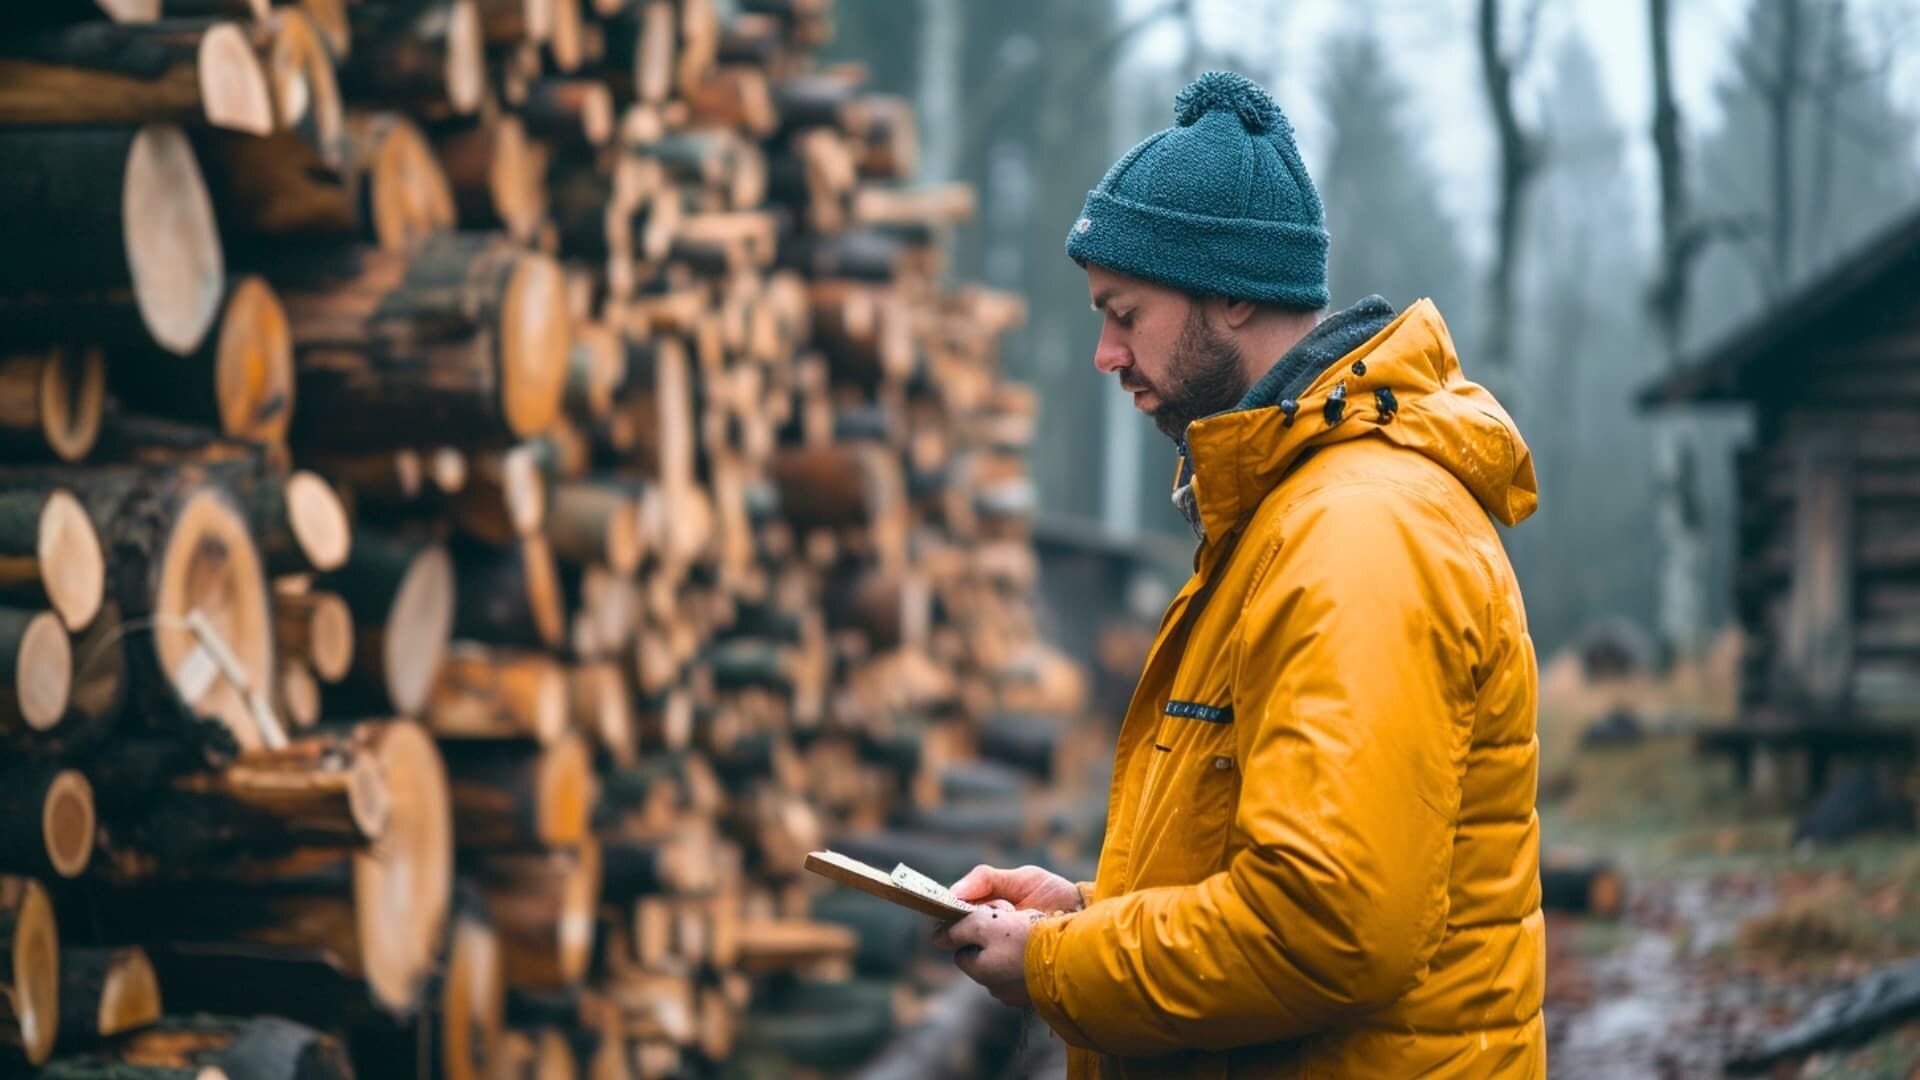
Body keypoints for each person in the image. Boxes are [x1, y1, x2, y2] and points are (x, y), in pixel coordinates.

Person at [933, 71, 1545, 1078]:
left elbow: (1327, 923)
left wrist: (1057, 965)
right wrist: (1086, 913)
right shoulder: (1287, 515)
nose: (1105, 353)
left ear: (1232, 293)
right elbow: (1265, 865)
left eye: (1125, 312)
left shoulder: (1361, 534)